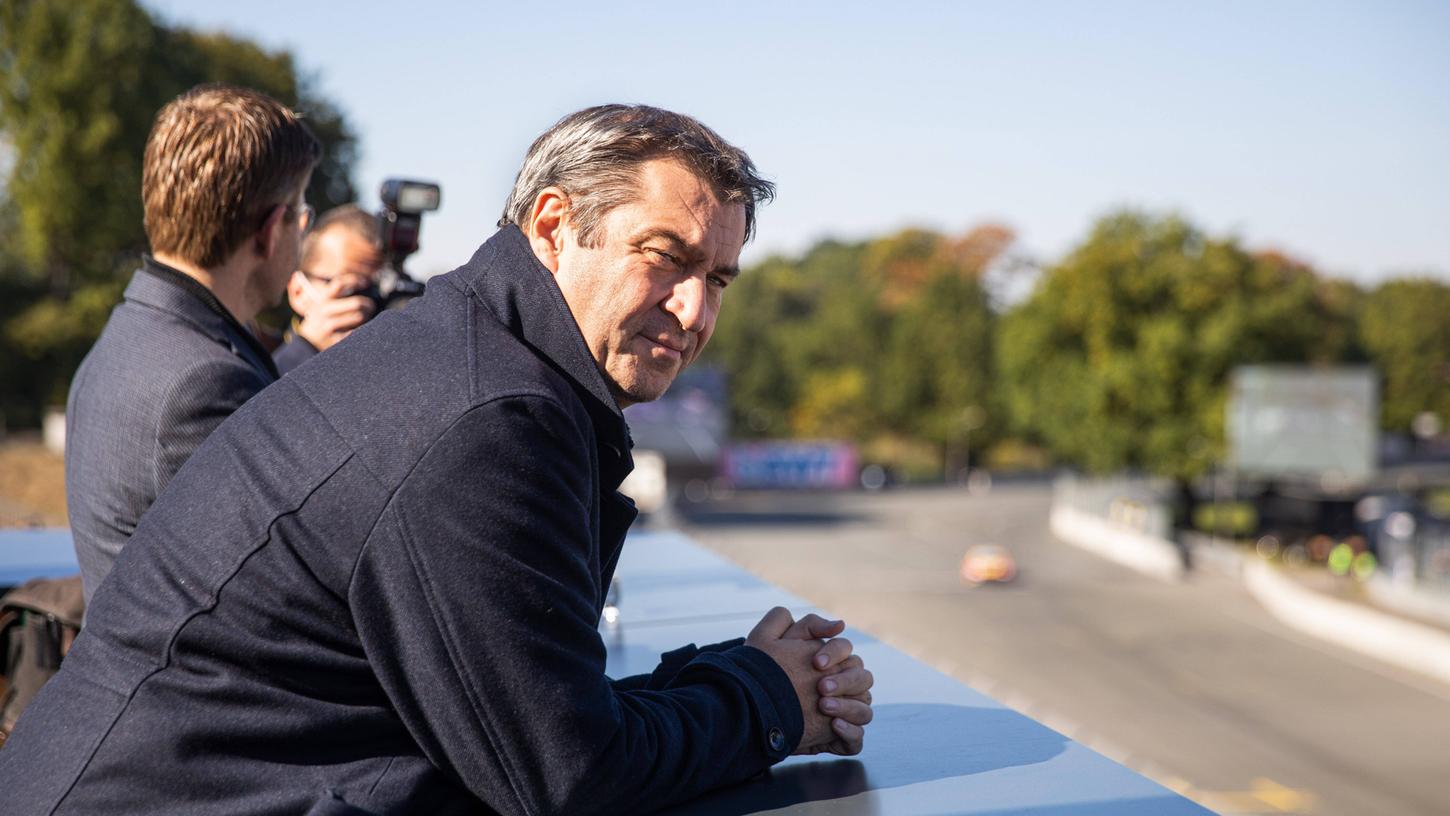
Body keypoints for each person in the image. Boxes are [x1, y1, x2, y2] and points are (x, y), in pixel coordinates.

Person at [0, 105, 874, 815]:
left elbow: (522, 713)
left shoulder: (473, 356)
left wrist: (728, 676)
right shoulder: (488, 415)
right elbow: (565, 776)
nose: (692, 310)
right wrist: (768, 701)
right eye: (666, 256)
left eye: (718, 278)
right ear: (553, 225)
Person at [64, 84, 320, 608]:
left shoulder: (131, 333)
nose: (303, 229)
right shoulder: (206, 383)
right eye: (300, 212)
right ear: (271, 232)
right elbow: (278, 599)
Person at [273, 204, 383, 374]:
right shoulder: (254, 364)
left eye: (378, 289)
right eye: (352, 289)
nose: (368, 304)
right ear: (298, 292)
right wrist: (306, 348)